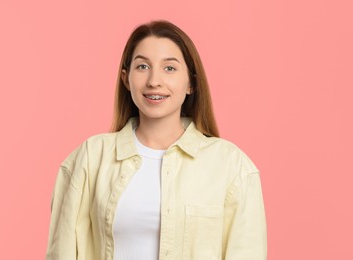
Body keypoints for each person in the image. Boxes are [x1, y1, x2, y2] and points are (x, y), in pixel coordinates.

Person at [46, 19, 267, 260]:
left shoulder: (231, 165)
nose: (154, 81)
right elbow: (62, 252)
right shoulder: (90, 158)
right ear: (125, 78)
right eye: (142, 67)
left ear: (191, 82)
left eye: (169, 68)